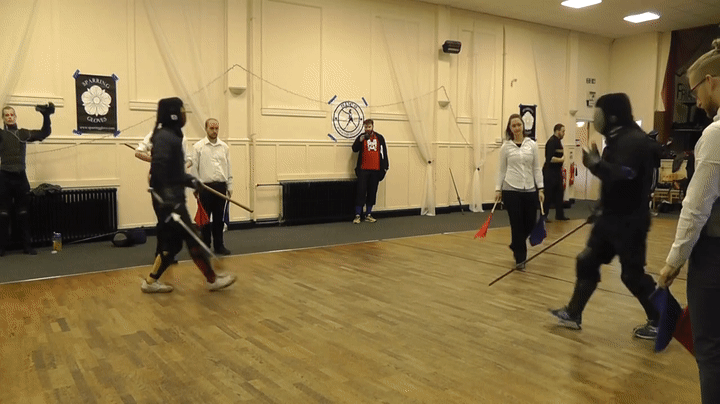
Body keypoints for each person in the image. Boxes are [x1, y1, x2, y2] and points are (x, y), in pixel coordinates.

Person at [550, 93, 661, 340]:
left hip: (630, 222)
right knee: (587, 260)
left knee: (632, 275)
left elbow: (627, 175)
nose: (596, 118)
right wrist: (601, 206)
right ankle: (573, 313)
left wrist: (596, 165)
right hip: (610, 218)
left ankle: (660, 319)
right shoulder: (618, 138)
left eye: (599, 113)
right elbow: (617, 185)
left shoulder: (633, 140)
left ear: (612, 116)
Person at [658, 38, 720, 404]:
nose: (695, 100)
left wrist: (674, 261)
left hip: (714, 259)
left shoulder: (715, 134)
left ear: (711, 81)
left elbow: (696, 208)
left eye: (696, 91)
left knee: (710, 350)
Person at [142, 97, 234, 293]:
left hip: (170, 199)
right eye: (182, 111)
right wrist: (171, 198)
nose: (184, 114)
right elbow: (161, 172)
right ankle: (212, 279)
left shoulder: (169, 135)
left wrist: (190, 180)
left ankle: (150, 281)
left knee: (173, 245)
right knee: (193, 238)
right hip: (170, 201)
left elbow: (173, 171)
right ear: (174, 114)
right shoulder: (166, 137)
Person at [0, 103, 55, 256]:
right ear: (3, 119)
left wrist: (46, 116)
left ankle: (27, 246)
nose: (9, 117)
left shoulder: (23, 133)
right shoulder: (1, 134)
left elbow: (44, 133)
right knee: (3, 214)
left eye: (12, 114)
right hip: (4, 178)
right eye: (6, 115)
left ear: (15, 117)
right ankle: (1, 248)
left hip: (20, 178)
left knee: (23, 213)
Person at [495, 113, 544, 270]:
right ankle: (520, 258)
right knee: (516, 224)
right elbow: (501, 170)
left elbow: (536, 168)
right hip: (511, 189)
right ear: (510, 128)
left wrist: (540, 188)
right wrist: (498, 189)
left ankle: (516, 244)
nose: (516, 128)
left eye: (519, 125)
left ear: (523, 126)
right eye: (513, 125)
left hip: (529, 189)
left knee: (530, 222)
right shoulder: (506, 147)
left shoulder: (532, 145)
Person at [135, 127, 192, 261]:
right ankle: (161, 254)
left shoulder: (181, 137)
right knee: (163, 219)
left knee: (173, 220)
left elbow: (189, 159)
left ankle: (168, 253)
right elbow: (138, 152)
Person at [191, 118, 233, 255]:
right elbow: (194, 169)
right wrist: (195, 187)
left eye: (216, 128)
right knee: (205, 219)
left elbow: (228, 168)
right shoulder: (198, 147)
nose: (214, 131)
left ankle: (219, 246)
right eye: (212, 128)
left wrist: (230, 186)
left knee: (219, 219)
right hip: (205, 187)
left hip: (220, 186)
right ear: (206, 129)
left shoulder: (224, 147)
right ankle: (205, 246)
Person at [351, 119, 389, 224]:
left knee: (372, 192)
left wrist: (385, 167)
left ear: (372, 126)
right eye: (366, 127)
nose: (367, 129)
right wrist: (360, 141)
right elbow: (354, 149)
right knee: (361, 192)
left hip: (375, 170)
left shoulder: (379, 138)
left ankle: (368, 214)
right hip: (363, 170)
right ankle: (357, 215)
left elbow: (383, 152)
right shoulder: (361, 137)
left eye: (369, 127)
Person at [543, 123, 569, 221]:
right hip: (550, 172)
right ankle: (544, 216)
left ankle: (559, 215)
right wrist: (561, 160)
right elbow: (550, 159)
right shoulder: (551, 142)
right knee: (548, 195)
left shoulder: (559, 142)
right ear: (558, 131)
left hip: (557, 172)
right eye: (563, 131)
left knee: (559, 193)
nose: (564, 133)